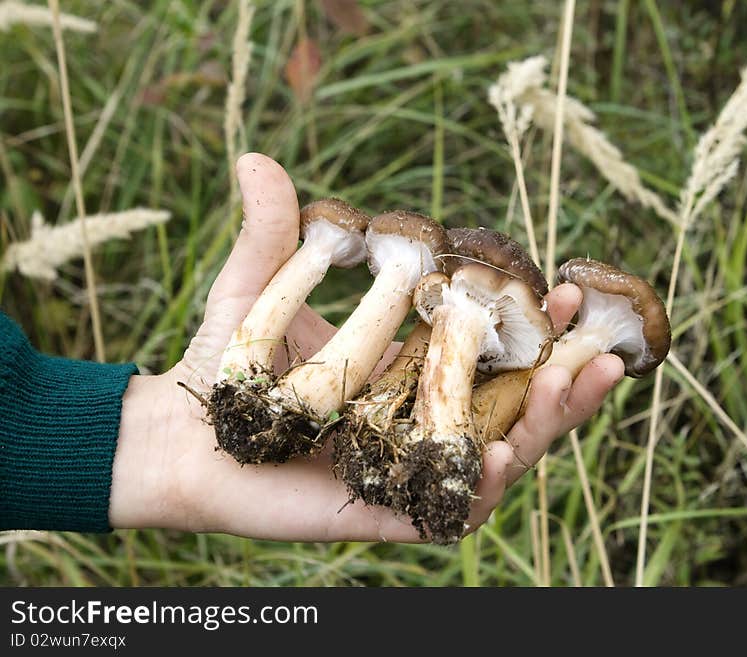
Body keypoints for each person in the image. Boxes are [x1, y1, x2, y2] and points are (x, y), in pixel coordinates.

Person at [0, 153, 625, 542]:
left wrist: (133, 440)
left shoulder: (452, 297)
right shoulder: (408, 275)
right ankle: (380, 435)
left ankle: (420, 451)